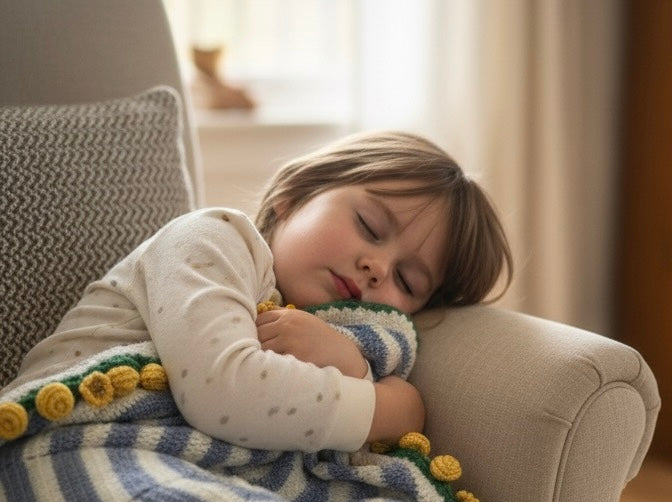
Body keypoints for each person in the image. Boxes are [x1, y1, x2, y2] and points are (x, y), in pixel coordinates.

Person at [2, 130, 512, 453]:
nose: (377, 266)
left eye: (408, 280)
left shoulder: (359, 343)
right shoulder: (214, 238)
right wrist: (392, 408)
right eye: (369, 225)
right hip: (65, 443)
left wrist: (354, 363)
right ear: (295, 196)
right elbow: (226, 392)